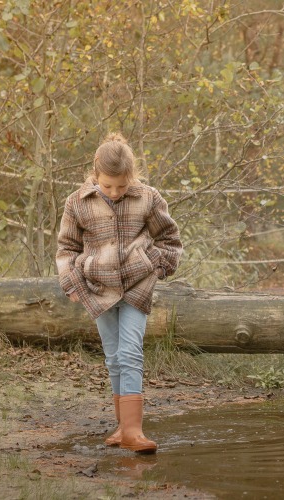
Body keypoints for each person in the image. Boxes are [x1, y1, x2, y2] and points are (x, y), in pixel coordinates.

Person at [56, 132, 182, 454]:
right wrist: (72, 282)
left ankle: (134, 432)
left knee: (130, 353)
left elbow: (170, 240)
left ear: (132, 176)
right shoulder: (77, 203)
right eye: (108, 185)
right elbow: (66, 248)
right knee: (113, 358)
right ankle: (122, 428)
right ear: (95, 171)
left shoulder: (148, 198)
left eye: (122, 186)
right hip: (98, 289)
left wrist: (155, 264)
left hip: (137, 288)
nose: (114, 192)